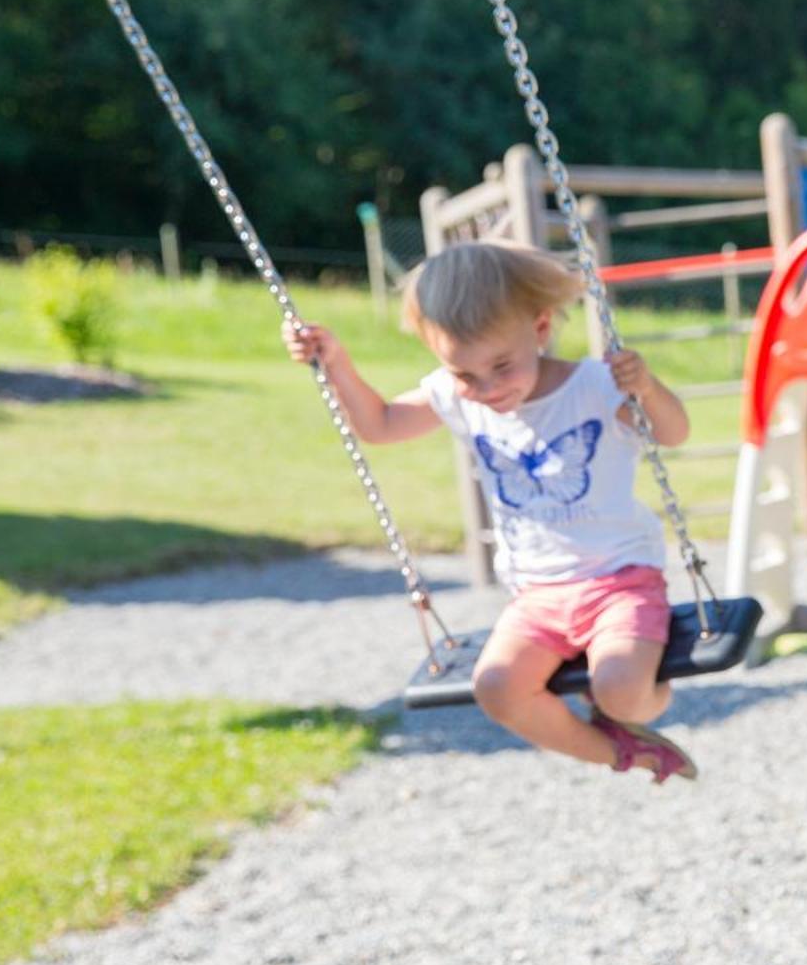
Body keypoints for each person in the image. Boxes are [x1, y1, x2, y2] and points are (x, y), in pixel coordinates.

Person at [283, 240, 699, 784]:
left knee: (620, 690)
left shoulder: (597, 386)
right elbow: (381, 424)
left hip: (620, 581)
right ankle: (624, 753)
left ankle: (629, 709)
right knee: (497, 689)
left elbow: (675, 432)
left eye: (501, 366)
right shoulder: (456, 397)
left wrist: (647, 387)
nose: (486, 389)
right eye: (464, 374)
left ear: (541, 328)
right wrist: (334, 362)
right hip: (536, 596)